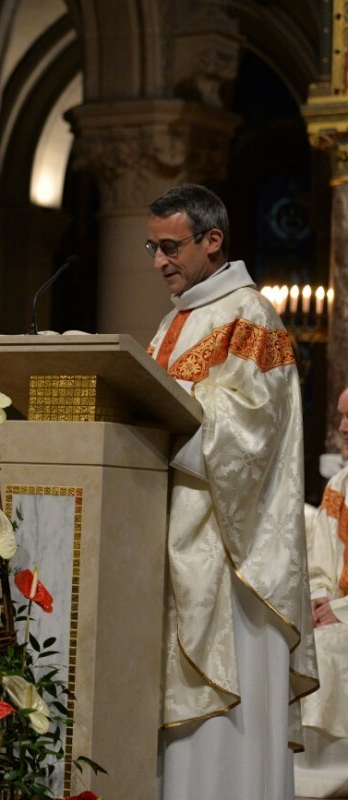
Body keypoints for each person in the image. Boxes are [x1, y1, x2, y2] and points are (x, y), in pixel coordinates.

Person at [144, 184, 316, 799]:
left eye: (171, 246)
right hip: (173, 533)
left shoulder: (250, 315)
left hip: (229, 554)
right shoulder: (175, 320)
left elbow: (249, 432)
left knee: (225, 731)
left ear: (213, 241)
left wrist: (159, 413)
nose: (160, 260)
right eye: (153, 247)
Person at [295, 387, 348, 797]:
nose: (342, 426)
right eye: (340, 416)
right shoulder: (340, 485)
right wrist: (316, 597)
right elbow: (320, 564)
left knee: (327, 648)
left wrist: (342, 610)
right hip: (336, 608)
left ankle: (327, 779)